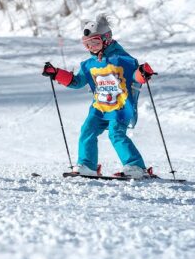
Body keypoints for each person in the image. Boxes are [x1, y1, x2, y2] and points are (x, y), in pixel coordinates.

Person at [42, 14, 156, 179]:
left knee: (116, 134)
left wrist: (143, 73)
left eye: (95, 42)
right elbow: (76, 81)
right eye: (87, 44)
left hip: (121, 107)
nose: (91, 48)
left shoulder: (124, 60)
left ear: (107, 39)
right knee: (87, 130)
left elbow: (135, 77)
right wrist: (57, 74)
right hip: (99, 107)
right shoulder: (89, 64)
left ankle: (136, 166)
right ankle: (88, 165)